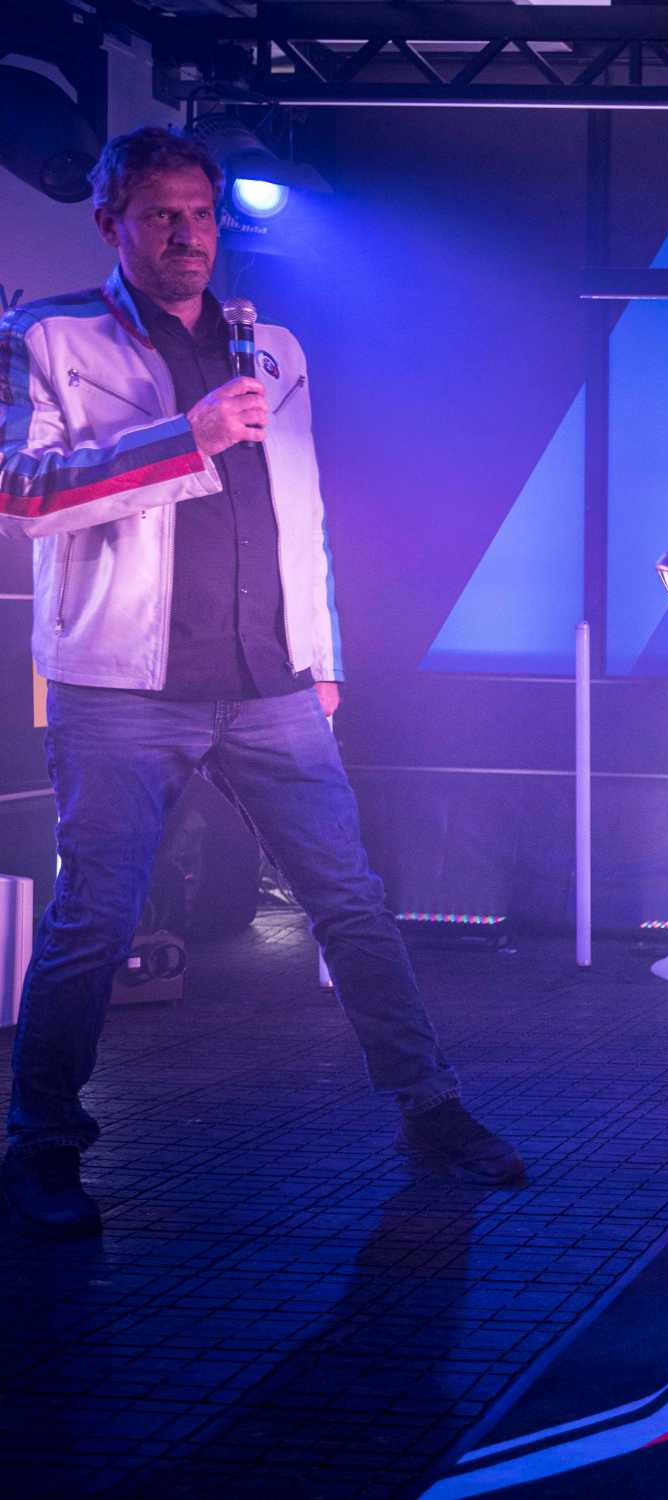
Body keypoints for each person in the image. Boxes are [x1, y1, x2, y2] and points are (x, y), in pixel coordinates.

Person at [0, 126, 523, 1240]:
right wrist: (182, 438)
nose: (186, 235)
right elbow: (21, 491)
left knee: (351, 900)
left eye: (200, 214)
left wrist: (322, 657)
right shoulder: (45, 335)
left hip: (271, 680)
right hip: (119, 689)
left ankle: (428, 1110)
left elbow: (302, 514)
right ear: (111, 223)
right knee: (93, 920)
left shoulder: (270, 345)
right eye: (160, 215)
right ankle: (41, 1146)